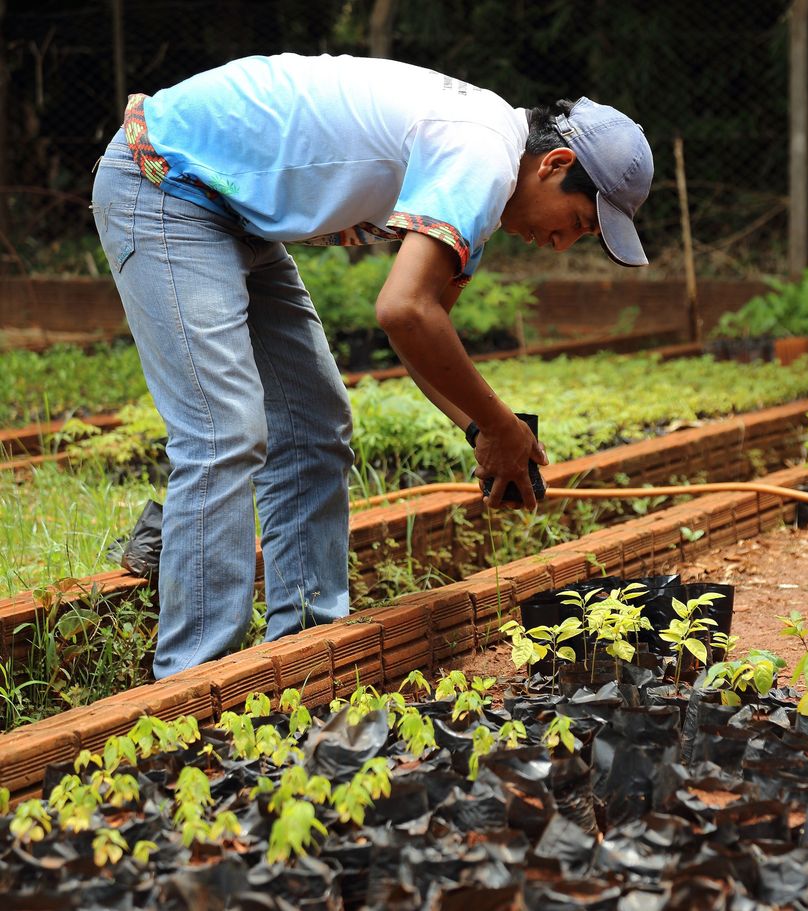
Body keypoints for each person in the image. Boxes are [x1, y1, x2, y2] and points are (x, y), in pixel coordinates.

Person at [90, 53, 654, 679]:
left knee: (312, 428)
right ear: (556, 164)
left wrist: (483, 429)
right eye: (576, 223)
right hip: (166, 181)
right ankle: (194, 688)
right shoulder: (483, 155)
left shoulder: (482, 167)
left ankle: (307, 655)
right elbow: (404, 310)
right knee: (223, 430)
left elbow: (423, 331)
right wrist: (499, 426)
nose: (560, 244)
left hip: (235, 212)